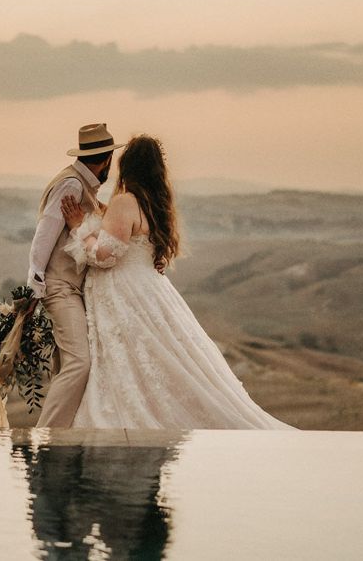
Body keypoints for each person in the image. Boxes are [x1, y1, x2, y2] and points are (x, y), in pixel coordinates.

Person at [60, 134, 298, 430]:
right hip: (148, 289)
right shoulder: (155, 204)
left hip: (125, 292)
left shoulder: (125, 201)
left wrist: (78, 229)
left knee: (131, 360)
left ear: (127, 166)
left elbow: (104, 256)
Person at [27, 123, 124, 428]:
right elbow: (46, 232)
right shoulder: (71, 185)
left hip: (70, 287)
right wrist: (35, 284)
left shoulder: (84, 187)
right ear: (107, 159)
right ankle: (47, 435)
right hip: (60, 287)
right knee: (79, 363)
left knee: (66, 363)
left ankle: (62, 434)